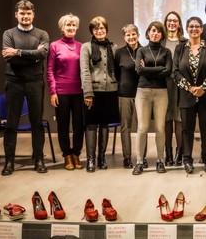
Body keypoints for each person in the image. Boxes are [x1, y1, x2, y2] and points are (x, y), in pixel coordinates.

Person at [1, 0, 50, 175]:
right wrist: (32, 56)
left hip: (35, 82)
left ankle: (39, 159)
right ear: (16, 15)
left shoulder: (42, 34)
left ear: (33, 15)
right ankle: (9, 162)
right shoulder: (8, 33)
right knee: (11, 123)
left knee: (36, 122)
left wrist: (18, 52)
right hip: (14, 82)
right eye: (22, 13)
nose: (25, 16)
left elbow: (43, 54)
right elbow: (9, 58)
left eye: (28, 13)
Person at [173, 17, 206, 174]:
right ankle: (187, 160)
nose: (194, 29)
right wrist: (191, 88)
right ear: (186, 29)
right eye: (191, 26)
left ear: (202, 29)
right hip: (186, 96)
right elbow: (176, 72)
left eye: (197, 26)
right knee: (187, 129)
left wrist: (202, 88)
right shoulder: (180, 49)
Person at [80, 16, 120, 172]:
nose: (99, 31)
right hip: (93, 93)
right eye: (96, 28)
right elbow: (84, 70)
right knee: (91, 125)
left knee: (105, 125)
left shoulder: (114, 47)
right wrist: (87, 93)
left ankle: (102, 158)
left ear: (106, 30)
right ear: (92, 31)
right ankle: (91, 159)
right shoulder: (86, 47)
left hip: (111, 92)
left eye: (102, 28)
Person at [133, 21, 172, 175]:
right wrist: (159, 69)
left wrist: (147, 69)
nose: (155, 33)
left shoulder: (166, 52)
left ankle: (160, 161)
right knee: (142, 128)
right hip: (143, 92)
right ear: (148, 33)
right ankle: (139, 162)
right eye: (152, 31)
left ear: (162, 35)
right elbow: (138, 70)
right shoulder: (141, 50)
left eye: (158, 31)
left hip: (161, 92)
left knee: (160, 128)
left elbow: (168, 72)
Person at [47, 13, 84, 171]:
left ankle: (76, 153)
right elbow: (49, 70)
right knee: (63, 125)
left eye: (73, 25)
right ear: (62, 28)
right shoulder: (54, 45)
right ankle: (67, 155)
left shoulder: (81, 46)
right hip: (61, 92)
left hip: (79, 92)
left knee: (79, 125)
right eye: (68, 25)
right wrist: (53, 92)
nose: (71, 27)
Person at [114, 24, 142, 169]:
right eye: (128, 35)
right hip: (124, 94)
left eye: (133, 34)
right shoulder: (119, 53)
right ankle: (127, 158)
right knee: (126, 127)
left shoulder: (145, 51)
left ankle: (141, 157)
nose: (131, 37)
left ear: (138, 35)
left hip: (142, 94)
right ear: (124, 37)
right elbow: (116, 74)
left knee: (142, 127)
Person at [163, 11, 186, 166]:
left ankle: (180, 153)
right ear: (165, 23)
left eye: (175, 21)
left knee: (179, 119)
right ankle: (168, 153)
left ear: (179, 24)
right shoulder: (160, 41)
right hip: (163, 85)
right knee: (166, 119)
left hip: (179, 85)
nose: (172, 23)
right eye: (169, 20)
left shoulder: (185, 42)